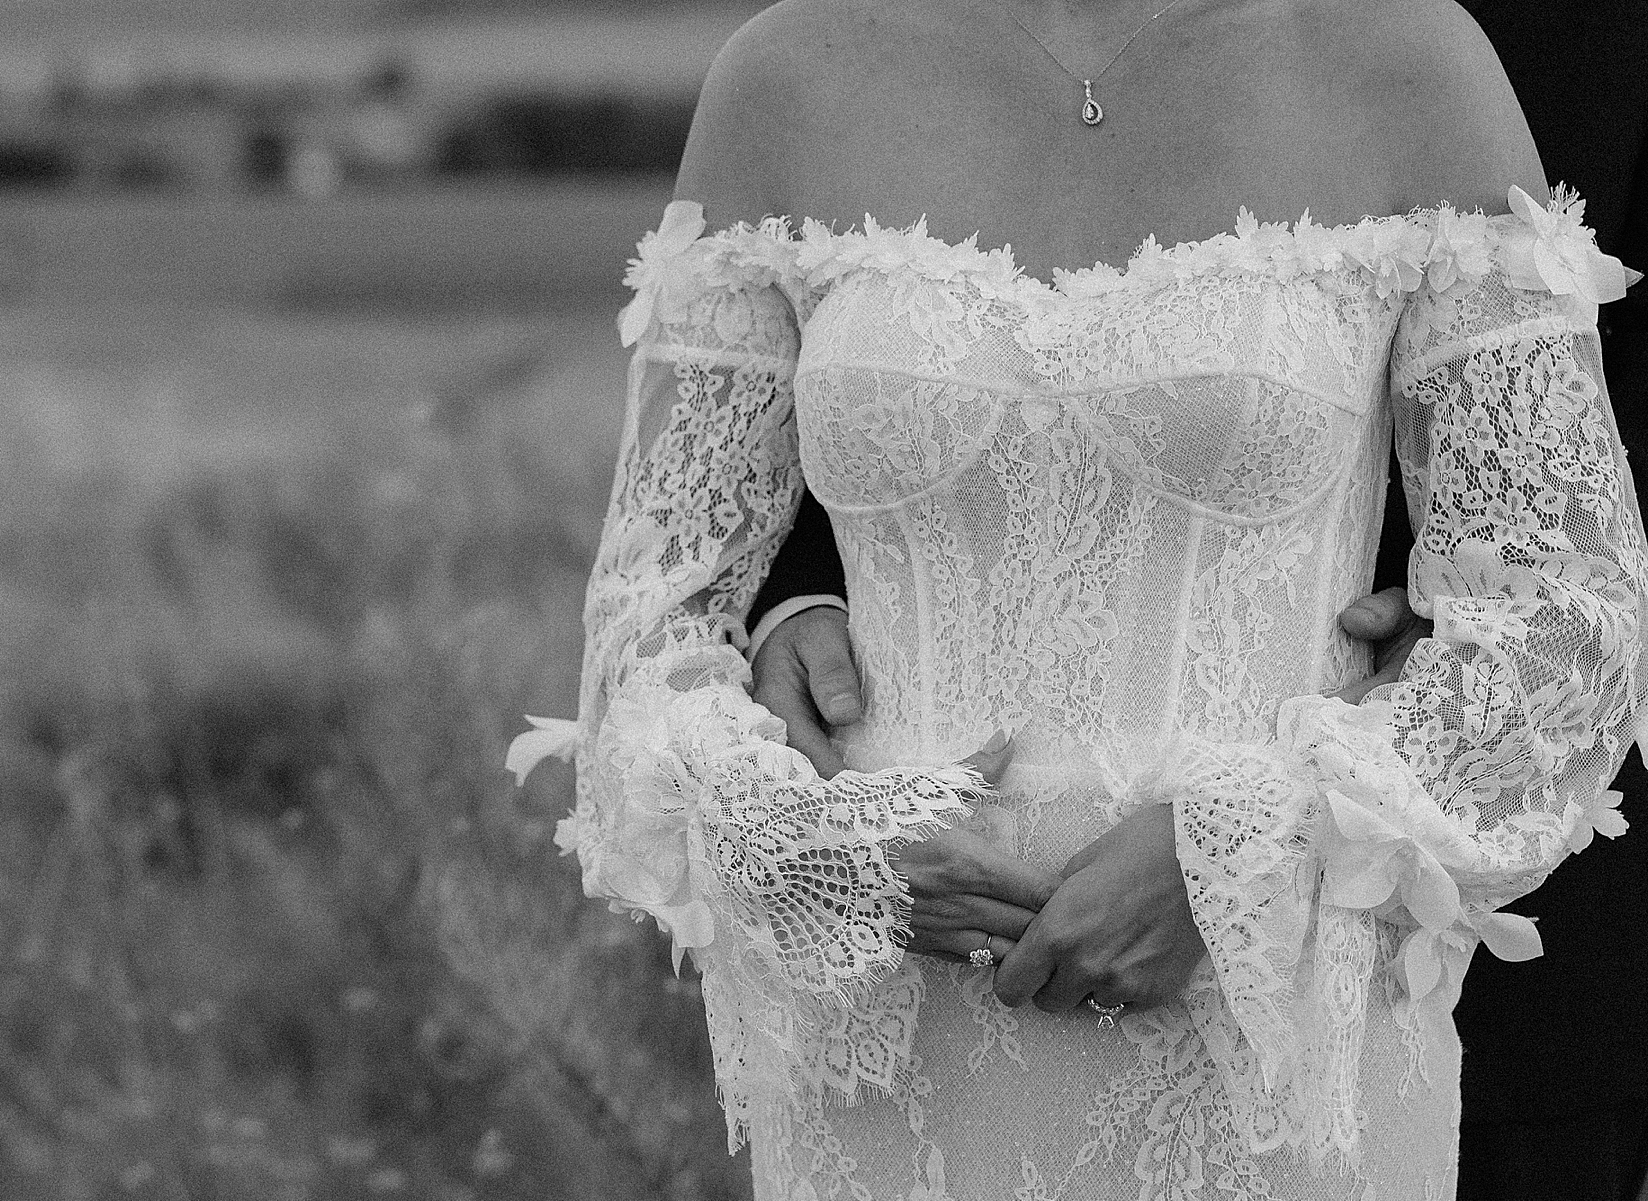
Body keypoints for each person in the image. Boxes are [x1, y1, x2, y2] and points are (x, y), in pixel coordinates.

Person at [508, 0, 1647, 1196]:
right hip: (899, 1043)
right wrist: (809, 848)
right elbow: (650, 623)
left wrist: (1243, 855)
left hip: (1268, 1024)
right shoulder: (785, 76)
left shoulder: (1410, 60)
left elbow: (1569, 611)